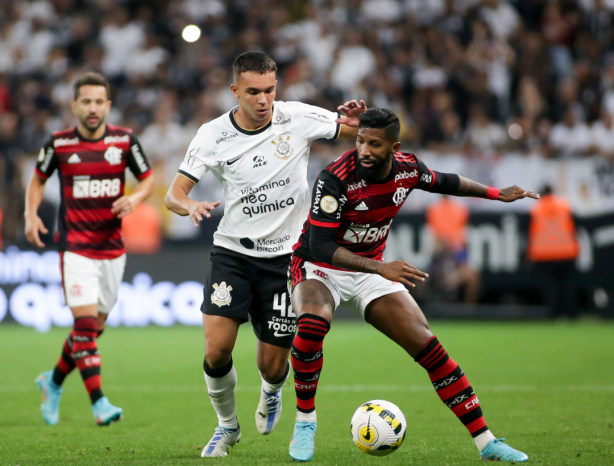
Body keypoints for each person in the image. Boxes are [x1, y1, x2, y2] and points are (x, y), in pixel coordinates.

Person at [287, 108, 537, 462]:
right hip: (319, 266)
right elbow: (321, 246)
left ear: (394, 146)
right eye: (360, 140)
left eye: (374, 143)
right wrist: (381, 267)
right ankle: (306, 420)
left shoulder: (407, 168)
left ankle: (487, 443)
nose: (365, 150)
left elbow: (447, 181)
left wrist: (497, 194)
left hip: (372, 271)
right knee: (313, 324)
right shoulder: (334, 178)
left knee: (428, 345)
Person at [164, 51, 366, 457]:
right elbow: (174, 195)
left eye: (270, 90)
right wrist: (190, 207)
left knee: (272, 367)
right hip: (233, 254)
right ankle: (226, 427)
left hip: (287, 260)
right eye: (253, 91)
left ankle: (271, 393)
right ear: (235, 90)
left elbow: (361, 135)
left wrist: (360, 119)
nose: (263, 100)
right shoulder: (212, 135)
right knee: (216, 349)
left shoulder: (298, 117)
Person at [24, 72, 154, 426]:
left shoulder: (125, 141)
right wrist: (30, 213)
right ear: (74, 105)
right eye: (86, 101)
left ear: (108, 105)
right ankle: (99, 403)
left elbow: (147, 179)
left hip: (112, 247)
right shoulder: (59, 144)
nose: (93, 108)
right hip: (75, 246)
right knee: (83, 324)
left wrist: (136, 199)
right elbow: (37, 180)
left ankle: (51, 382)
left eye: (99, 101)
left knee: (92, 331)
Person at [527, 184, 579, 318]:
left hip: (544, 253)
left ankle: (553, 313)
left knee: (550, 286)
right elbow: (575, 227)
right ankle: (571, 313)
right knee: (568, 285)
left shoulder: (536, 209)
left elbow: (530, 231)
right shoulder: (565, 205)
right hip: (566, 251)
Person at [426, 195, 480, 304]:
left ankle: (468, 312)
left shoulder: (460, 208)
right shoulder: (434, 209)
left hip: (456, 254)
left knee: (472, 277)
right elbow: (436, 239)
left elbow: (462, 238)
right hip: (441, 255)